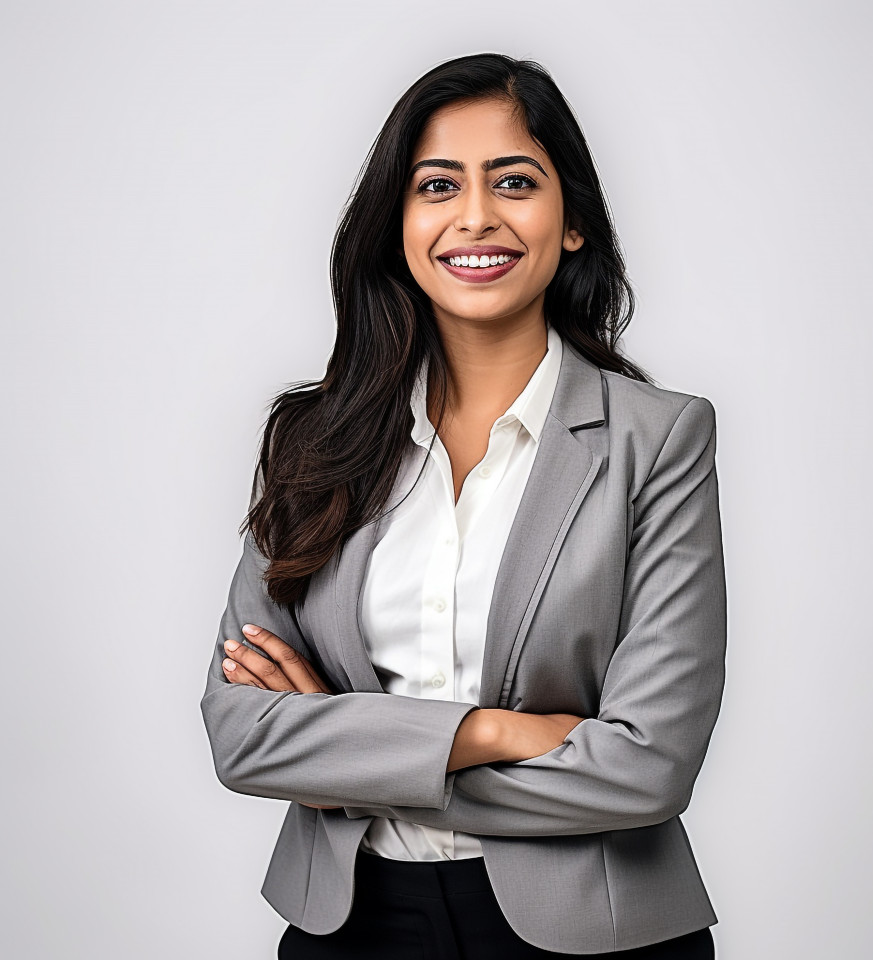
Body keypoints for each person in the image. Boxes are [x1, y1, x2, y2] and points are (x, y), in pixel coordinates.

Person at [200, 53, 725, 959]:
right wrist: (492, 733)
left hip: (594, 934)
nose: (475, 216)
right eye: (437, 185)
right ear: (397, 224)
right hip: (351, 926)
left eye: (515, 182)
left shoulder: (659, 440)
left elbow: (646, 767)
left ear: (572, 224)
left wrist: (351, 759)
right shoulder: (312, 444)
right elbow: (244, 734)